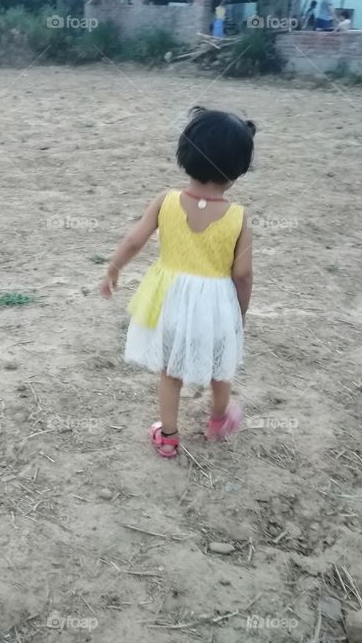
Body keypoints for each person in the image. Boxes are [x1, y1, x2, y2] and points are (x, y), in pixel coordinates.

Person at [100, 108, 255, 458]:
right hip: (216, 307)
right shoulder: (238, 217)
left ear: (184, 155)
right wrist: (238, 314)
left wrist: (113, 269)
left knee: (170, 371)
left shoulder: (165, 201)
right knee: (220, 367)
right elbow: (243, 274)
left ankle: (168, 437)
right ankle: (218, 421)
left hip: (170, 302)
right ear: (238, 170)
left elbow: (133, 241)